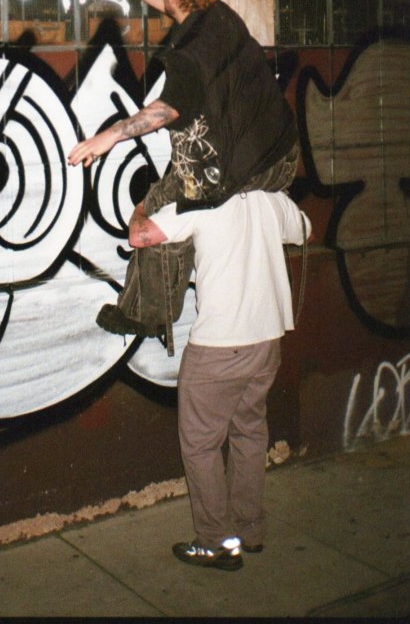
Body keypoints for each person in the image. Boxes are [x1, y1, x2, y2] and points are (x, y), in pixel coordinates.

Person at [68, 0, 299, 342]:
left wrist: (106, 137)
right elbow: (166, 1)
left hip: (254, 165)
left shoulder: (189, 56)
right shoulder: (220, 14)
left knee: (162, 206)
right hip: (282, 151)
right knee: (177, 183)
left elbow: (163, 111)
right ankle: (151, 305)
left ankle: (148, 315)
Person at [131, 189, 311, 571]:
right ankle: (250, 530)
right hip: (267, 340)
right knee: (249, 432)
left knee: (200, 444)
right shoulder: (271, 198)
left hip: (219, 347)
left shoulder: (200, 203)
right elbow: (305, 230)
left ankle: (217, 543)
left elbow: (140, 236)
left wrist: (141, 208)